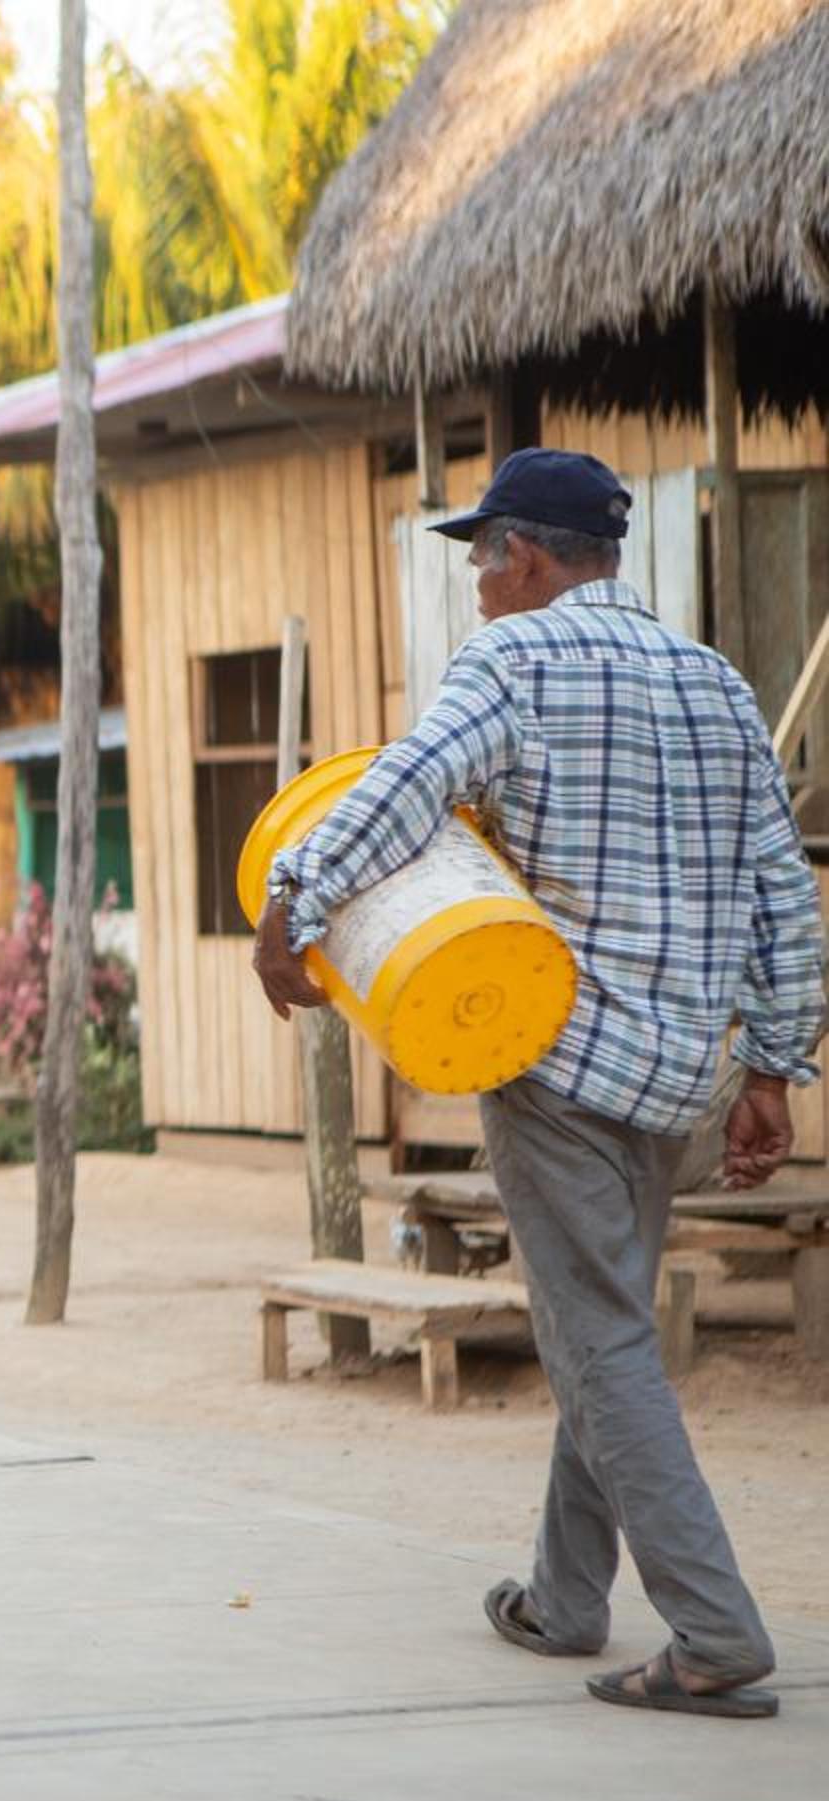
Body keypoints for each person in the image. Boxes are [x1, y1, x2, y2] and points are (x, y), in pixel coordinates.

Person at [256, 448, 819, 1722]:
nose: (475, 580)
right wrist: (774, 1067)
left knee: (599, 1338)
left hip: (555, 1059)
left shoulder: (512, 660)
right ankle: (566, 1596)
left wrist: (295, 897)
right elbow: (782, 890)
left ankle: (716, 1632)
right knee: (598, 1317)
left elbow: (404, 790)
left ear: (521, 553)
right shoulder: (717, 682)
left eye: (479, 555)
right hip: (681, 1074)